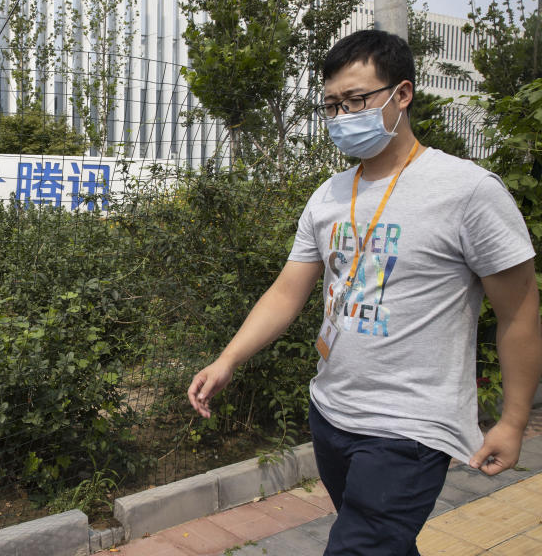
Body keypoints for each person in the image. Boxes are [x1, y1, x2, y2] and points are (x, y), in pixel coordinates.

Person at [187, 29, 542, 555]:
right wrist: (228, 358)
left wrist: (513, 420)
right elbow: (288, 292)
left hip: (412, 426)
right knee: (382, 543)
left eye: (357, 100)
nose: (342, 116)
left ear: (402, 94)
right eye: (332, 105)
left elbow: (519, 312)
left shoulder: (467, 190)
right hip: (331, 411)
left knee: (358, 547)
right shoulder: (330, 195)